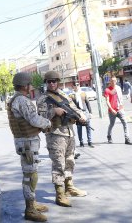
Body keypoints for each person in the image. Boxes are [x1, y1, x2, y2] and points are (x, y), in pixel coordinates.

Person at [36, 71, 87, 208]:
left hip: (69, 132)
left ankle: (69, 187)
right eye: (49, 81)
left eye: (54, 81)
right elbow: (39, 118)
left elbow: (74, 107)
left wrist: (81, 115)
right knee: (59, 164)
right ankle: (60, 193)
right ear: (46, 83)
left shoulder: (64, 95)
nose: (52, 83)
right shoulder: (43, 99)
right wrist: (54, 112)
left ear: (58, 81)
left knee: (70, 160)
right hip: (55, 134)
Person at [7, 72, 51, 222]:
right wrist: (48, 123)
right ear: (25, 86)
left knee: (31, 174)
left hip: (25, 142)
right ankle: (30, 209)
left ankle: (32, 203)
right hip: (27, 143)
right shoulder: (22, 100)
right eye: (29, 84)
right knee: (30, 176)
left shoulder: (16, 99)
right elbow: (34, 119)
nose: (31, 86)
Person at [104, 76, 132, 145]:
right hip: (112, 111)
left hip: (120, 109)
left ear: (116, 81)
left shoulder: (118, 88)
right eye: (112, 81)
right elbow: (107, 101)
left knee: (125, 123)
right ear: (110, 82)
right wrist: (111, 109)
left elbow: (120, 98)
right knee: (112, 124)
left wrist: (122, 107)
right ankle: (109, 136)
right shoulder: (107, 90)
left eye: (114, 81)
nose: (113, 82)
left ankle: (127, 138)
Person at [71, 83, 94, 148]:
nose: (77, 86)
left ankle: (90, 141)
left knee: (88, 127)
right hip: (77, 113)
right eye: (75, 85)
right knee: (79, 128)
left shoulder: (83, 93)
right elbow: (71, 106)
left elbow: (87, 103)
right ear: (73, 86)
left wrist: (90, 113)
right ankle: (81, 142)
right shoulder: (71, 95)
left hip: (85, 112)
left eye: (78, 85)